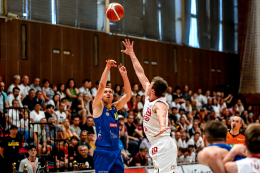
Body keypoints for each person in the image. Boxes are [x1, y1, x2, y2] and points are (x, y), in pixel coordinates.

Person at [122, 39, 177, 172]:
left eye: (150, 83)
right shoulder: (149, 94)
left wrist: (163, 126)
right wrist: (132, 54)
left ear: (153, 90)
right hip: (156, 144)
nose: (147, 83)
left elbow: (162, 114)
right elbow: (140, 72)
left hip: (164, 144)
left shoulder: (160, 104)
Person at [92, 59, 132, 173]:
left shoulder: (115, 108)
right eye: (105, 92)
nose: (108, 93)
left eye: (110, 92)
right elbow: (101, 85)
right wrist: (108, 67)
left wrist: (124, 75)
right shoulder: (98, 107)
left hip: (116, 151)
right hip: (103, 152)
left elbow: (128, 94)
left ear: (113, 95)